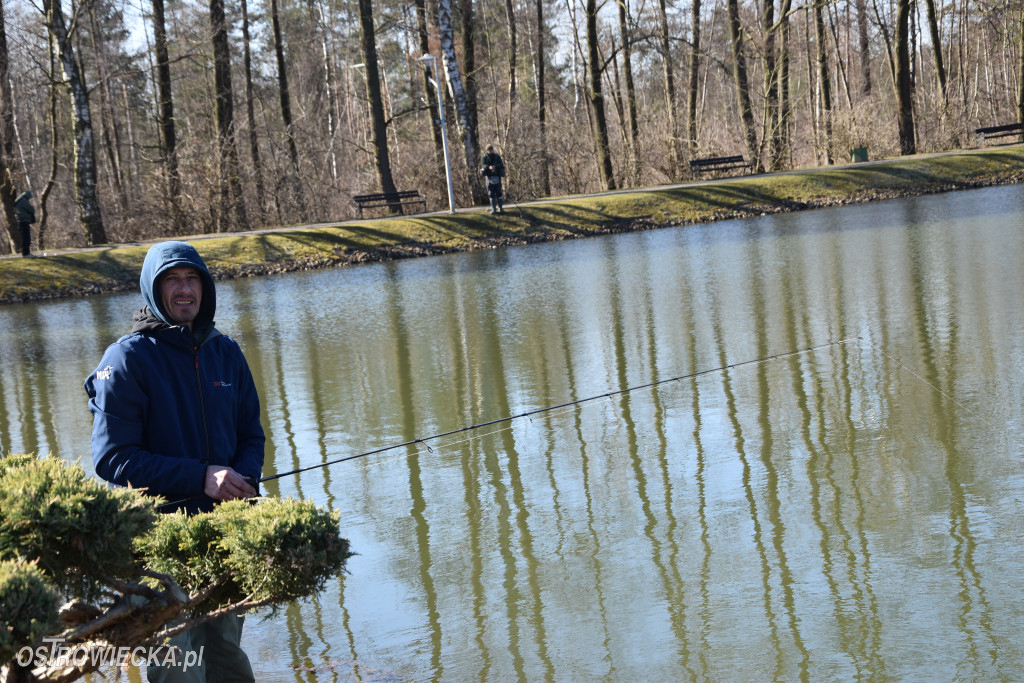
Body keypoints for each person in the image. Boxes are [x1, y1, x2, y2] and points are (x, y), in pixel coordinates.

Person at [84, 240, 264, 682]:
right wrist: (199, 476)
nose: (184, 290)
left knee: (227, 655)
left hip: (226, 531)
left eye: (192, 279)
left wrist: (242, 480)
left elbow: (251, 435)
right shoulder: (126, 359)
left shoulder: (227, 352)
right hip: (158, 539)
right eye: (172, 281)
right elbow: (113, 460)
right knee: (177, 664)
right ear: (152, 289)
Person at [480, 144, 506, 214]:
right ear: (487, 150)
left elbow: (501, 164)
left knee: (499, 193)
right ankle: (494, 209)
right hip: (489, 177)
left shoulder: (497, 156)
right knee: (491, 193)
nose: (490, 151)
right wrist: (489, 167)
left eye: (491, 149)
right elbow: (483, 165)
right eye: (489, 150)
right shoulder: (484, 157)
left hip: (497, 176)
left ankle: (501, 208)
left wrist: (495, 166)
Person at [13, 190, 35, 257]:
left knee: (25, 238)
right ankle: (26, 253)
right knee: (26, 238)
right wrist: (32, 207)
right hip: (24, 221)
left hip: (21, 221)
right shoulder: (23, 201)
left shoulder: (19, 200)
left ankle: (26, 253)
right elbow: (31, 210)